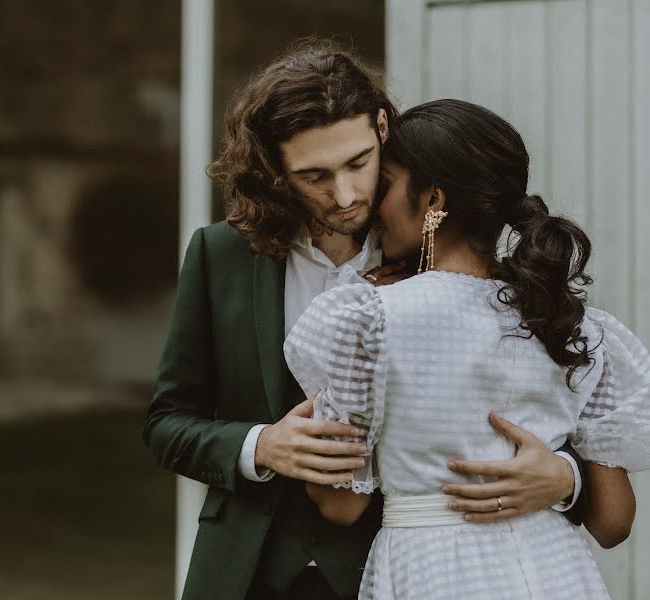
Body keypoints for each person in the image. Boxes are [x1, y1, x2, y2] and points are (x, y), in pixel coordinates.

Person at [144, 41, 585, 600]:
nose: (346, 194)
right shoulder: (220, 255)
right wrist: (262, 445)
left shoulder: (440, 249)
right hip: (245, 574)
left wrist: (567, 479)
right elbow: (166, 421)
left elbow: (534, 405)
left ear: (381, 127)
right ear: (274, 167)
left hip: (391, 573)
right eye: (315, 176)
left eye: (357, 163)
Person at [286, 99, 650, 599]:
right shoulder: (572, 324)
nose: (374, 207)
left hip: (434, 571)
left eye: (386, 185)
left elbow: (341, 506)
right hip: (558, 573)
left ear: (433, 200)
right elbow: (613, 522)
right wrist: (565, 479)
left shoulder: (366, 320)